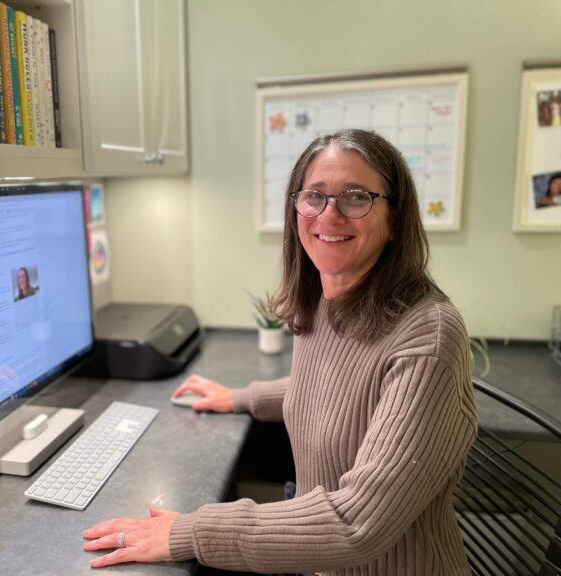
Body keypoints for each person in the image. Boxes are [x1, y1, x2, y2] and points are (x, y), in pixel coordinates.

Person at [82, 129, 477, 575]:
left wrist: (192, 532)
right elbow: (337, 388)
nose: (330, 215)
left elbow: (356, 523)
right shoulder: (326, 302)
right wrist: (242, 398)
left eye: (356, 197)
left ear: (394, 219)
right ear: (296, 209)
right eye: (315, 196)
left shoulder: (428, 335)